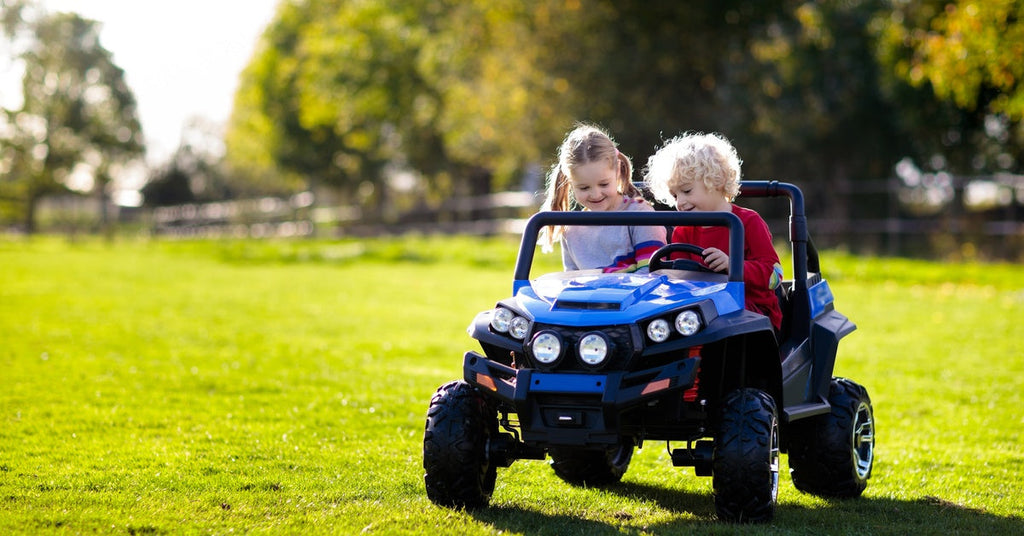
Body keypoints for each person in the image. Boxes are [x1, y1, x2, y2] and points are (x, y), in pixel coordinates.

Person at [644, 131, 784, 331]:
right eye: (675, 196)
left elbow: (775, 276)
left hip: (753, 314)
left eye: (687, 191)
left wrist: (733, 265)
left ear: (716, 181)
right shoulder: (683, 231)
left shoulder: (748, 222)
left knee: (719, 315)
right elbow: (677, 282)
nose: (680, 202)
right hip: (700, 313)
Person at [538, 124, 666, 273]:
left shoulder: (640, 216)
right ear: (570, 183)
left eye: (604, 184)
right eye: (584, 188)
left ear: (617, 171)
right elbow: (572, 279)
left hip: (636, 288)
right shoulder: (571, 230)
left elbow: (652, 272)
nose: (596, 194)